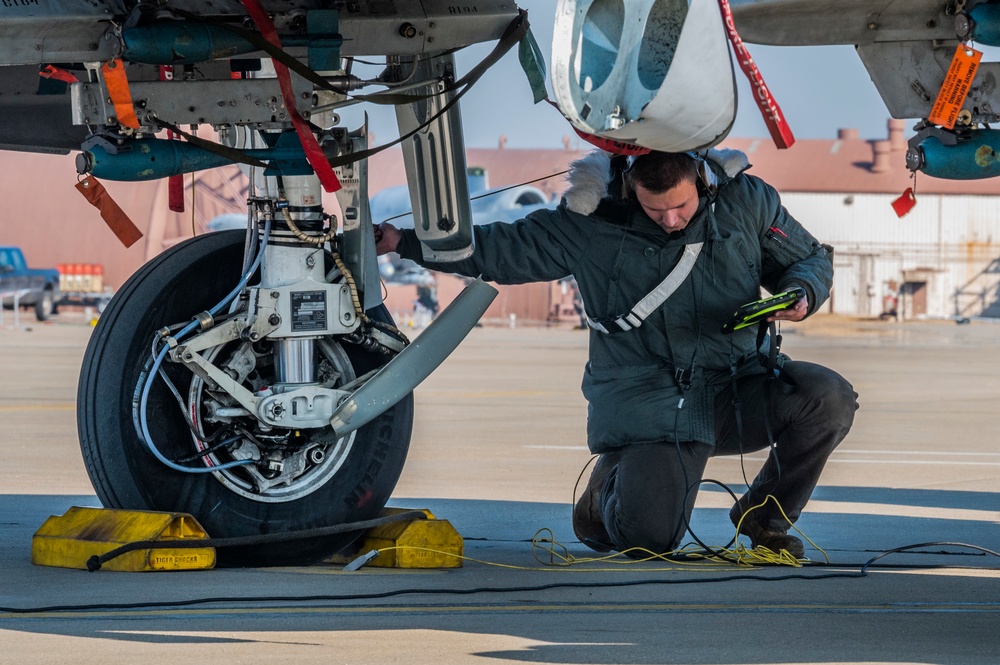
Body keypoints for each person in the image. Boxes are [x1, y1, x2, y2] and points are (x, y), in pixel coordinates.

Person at [375, 149, 857, 558]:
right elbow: (499, 249)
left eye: (681, 207)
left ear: (703, 180)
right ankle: (604, 493)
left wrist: (801, 293)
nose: (671, 220)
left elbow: (808, 259)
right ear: (629, 190)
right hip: (651, 401)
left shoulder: (746, 201)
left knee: (828, 397)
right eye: (655, 210)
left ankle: (764, 520)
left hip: (736, 387)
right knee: (649, 541)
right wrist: (404, 242)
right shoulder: (590, 224)